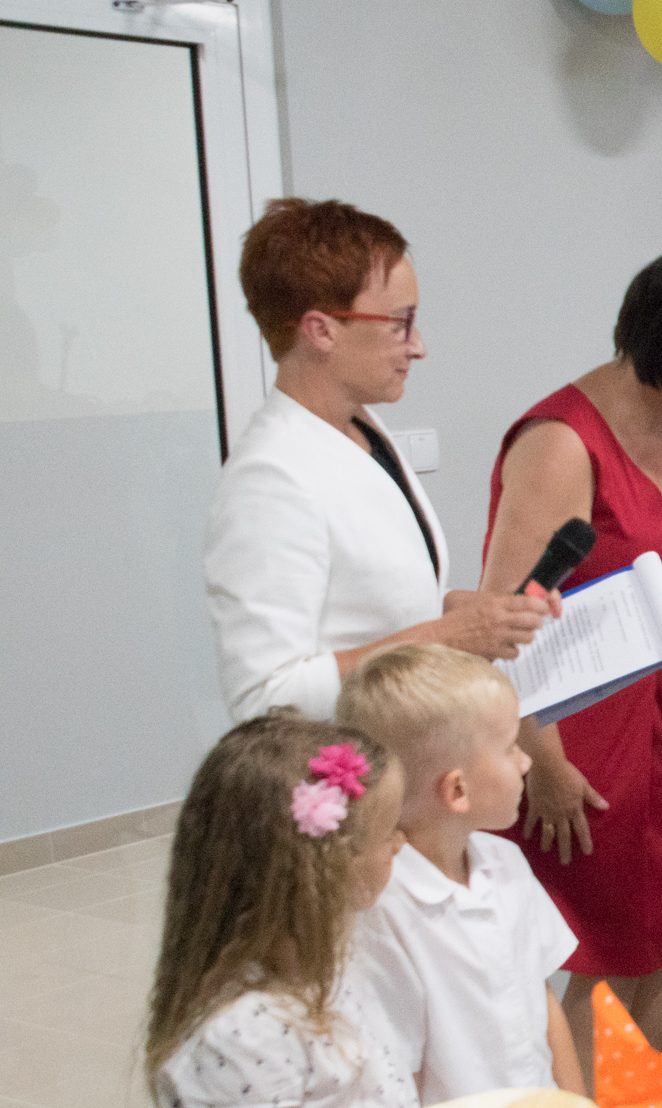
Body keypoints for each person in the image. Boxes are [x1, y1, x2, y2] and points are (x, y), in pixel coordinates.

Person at [480, 245, 662, 1078]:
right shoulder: (561, 444)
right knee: (606, 958)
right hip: (569, 732)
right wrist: (545, 765)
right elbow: (504, 625)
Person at [207, 198, 552, 722]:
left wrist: (473, 614)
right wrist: (447, 636)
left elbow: (372, 608)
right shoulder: (268, 480)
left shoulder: (360, 427)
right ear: (321, 330)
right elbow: (266, 698)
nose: (418, 346)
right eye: (399, 323)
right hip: (350, 765)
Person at [145, 714, 414, 1108]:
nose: (400, 842)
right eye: (387, 835)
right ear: (325, 867)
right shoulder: (248, 1032)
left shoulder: (330, 968)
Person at [337, 644, 586, 1106]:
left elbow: (543, 999)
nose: (526, 761)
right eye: (510, 748)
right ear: (457, 790)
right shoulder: (384, 907)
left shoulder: (505, 861)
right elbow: (398, 1072)